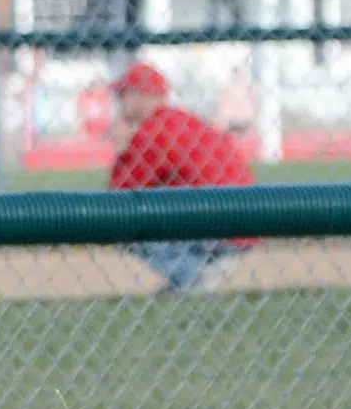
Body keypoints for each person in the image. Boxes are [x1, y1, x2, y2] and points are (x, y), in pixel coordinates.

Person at [108, 61, 257, 293]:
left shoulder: (153, 132)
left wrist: (120, 150)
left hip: (219, 227)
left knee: (121, 223)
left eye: (123, 95)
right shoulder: (180, 119)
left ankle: (190, 277)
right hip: (247, 219)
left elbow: (117, 196)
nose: (120, 104)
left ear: (140, 96)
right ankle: (195, 273)